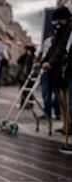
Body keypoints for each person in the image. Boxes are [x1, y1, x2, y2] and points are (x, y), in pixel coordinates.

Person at [42, 5, 72, 135]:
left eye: (58, 20)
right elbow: (53, 48)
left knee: (67, 101)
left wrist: (51, 62)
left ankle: (69, 125)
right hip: (59, 71)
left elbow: (62, 48)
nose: (56, 23)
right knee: (63, 102)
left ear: (64, 19)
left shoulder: (69, 31)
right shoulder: (60, 32)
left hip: (64, 70)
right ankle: (66, 125)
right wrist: (43, 62)